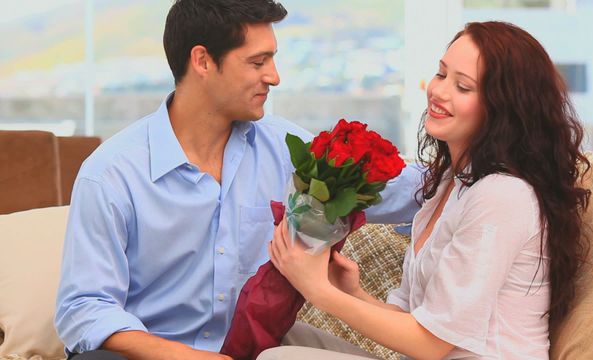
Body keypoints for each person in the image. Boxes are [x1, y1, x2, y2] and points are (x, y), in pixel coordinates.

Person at [54, 0, 421, 359]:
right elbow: (85, 308)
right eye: (257, 62)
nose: (274, 77)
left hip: (254, 347)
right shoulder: (111, 174)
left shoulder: (284, 149)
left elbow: (397, 190)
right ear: (202, 61)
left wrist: (471, 167)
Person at [266, 21, 591, 360]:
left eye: (463, 87)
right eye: (441, 74)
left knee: (277, 358)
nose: (439, 92)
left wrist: (317, 289)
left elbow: (431, 344)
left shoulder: (502, 196)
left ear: (503, 109)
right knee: (277, 335)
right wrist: (353, 292)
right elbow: (418, 322)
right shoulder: (451, 183)